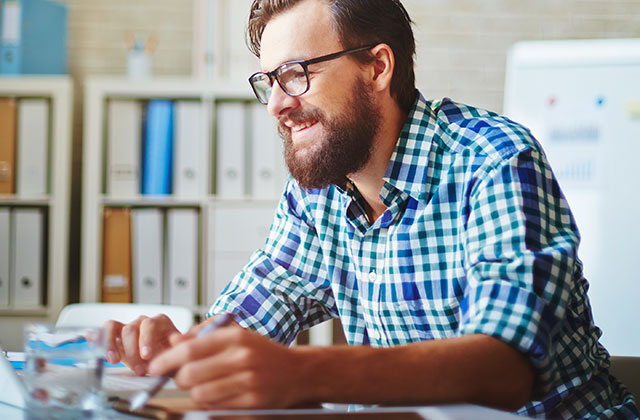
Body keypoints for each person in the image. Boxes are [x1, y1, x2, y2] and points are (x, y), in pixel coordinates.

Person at [104, 0, 638, 417]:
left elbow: (504, 368)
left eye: (295, 73)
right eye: (269, 82)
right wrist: (180, 353)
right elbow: (248, 323)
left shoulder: (493, 160)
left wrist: (302, 373)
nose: (276, 104)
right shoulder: (320, 193)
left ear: (377, 67)